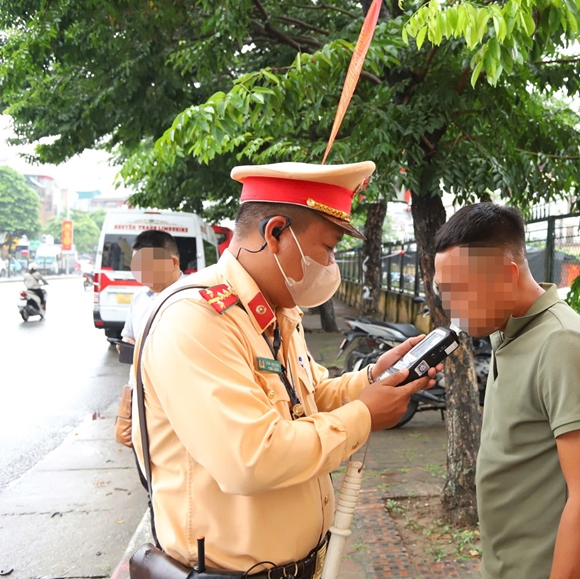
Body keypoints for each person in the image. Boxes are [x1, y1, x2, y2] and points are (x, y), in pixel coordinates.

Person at [132, 161, 440, 578]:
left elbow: (309, 397)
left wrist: (370, 379)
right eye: (328, 248)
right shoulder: (198, 319)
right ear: (275, 233)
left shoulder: (276, 312)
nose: (331, 265)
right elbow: (251, 458)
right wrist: (364, 415)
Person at [433, 203, 580, 579]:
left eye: (460, 290)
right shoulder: (506, 329)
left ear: (507, 275)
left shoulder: (564, 344)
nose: (452, 308)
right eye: (445, 291)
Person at [114, 230, 184, 448]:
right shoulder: (139, 298)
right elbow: (129, 335)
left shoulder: (194, 295)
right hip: (141, 394)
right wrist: (126, 346)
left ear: (173, 262)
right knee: (143, 456)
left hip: (178, 398)